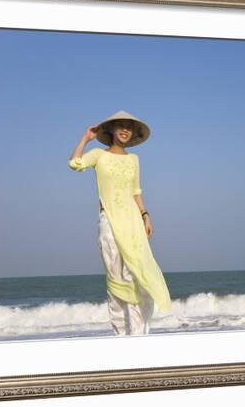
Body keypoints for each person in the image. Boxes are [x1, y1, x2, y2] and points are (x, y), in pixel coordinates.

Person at [68, 109, 172, 336]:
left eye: (129, 126)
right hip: (109, 221)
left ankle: (138, 334)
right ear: (112, 130)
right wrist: (85, 139)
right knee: (115, 278)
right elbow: (74, 163)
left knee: (136, 275)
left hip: (133, 221)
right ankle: (120, 336)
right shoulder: (98, 155)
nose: (125, 129)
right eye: (120, 125)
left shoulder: (134, 159)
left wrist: (146, 215)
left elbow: (136, 191)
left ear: (133, 133)